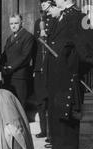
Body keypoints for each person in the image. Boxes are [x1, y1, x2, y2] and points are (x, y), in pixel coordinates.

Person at [45, 0, 93, 149]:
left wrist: (78, 67)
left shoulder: (81, 17)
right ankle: (59, 145)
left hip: (69, 73)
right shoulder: (60, 17)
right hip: (56, 73)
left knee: (68, 109)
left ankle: (70, 148)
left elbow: (91, 45)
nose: (54, 1)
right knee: (57, 108)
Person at [33, 1, 58, 139]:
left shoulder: (56, 21)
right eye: (42, 4)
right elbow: (36, 47)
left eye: (46, 4)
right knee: (40, 101)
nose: (43, 7)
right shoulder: (38, 22)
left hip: (51, 66)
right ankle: (44, 130)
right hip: (39, 67)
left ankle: (51, 132)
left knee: (51, 101)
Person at [0, 14, 35, 108]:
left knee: (19, 103)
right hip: (8, 75)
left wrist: (11, 67)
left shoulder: (27, 36)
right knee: (9, 103)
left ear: (21, 23)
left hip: (19, 75)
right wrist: (1, 67)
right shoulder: (9, 38)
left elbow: (25, 56)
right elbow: (4, 54)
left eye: (16, 23)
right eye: (11, 23)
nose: (13, 25)